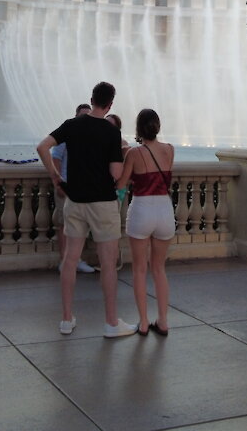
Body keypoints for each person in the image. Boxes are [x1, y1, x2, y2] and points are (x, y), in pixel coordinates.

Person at [36, 81, 136, 338]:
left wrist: (56, 176)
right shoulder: (111, 132)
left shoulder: (72, 125)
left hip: (75, 201)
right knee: (108, 262)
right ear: (110, 104)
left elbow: (42, 146)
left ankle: (67, 319)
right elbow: (115, 172)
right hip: (103, 202)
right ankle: (111, 323)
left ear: (91, 99)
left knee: (70, 259)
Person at [117, 109, 175, 337]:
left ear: (139, 129)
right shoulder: (170, 150)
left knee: (140, 270)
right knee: (159, 269)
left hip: (141, 209)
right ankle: (163, 322)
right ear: (157, 127)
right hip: (164, 210)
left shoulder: (133, 154)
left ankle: (143, 323)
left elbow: (121, 184)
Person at [51, 103, 96, 274]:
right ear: (76, 116)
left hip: (83, 188)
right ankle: (65, 260)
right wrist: (58, 183)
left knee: (80, 225)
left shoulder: (90, 136)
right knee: (64, 225)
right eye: (81, 115)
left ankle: (77, 259)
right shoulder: (67, 133)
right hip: (67, 186)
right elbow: (55, 158)